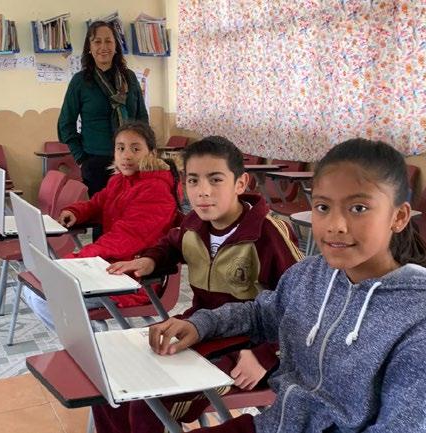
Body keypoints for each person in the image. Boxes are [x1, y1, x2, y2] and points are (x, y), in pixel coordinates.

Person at [149, 138, 426, 433]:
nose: (335, 225)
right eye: (323, 207)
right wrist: (200, 324)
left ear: (398, 217)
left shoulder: (424, 319)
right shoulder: (310, 274)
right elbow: (260, 314)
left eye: (359, 208)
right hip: (275, 424)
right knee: (139, 399)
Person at [94, 136, 303, 433]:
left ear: (240, 183)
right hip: (199, 328)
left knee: (147, 401)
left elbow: (303, 308)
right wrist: (150, 260)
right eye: (193, 180)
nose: (203, 191)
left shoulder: (269, 233)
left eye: (215, 180)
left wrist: (265, 355)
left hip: (249, 350)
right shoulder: (193, 224)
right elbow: (170, 244)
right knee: (112, 381)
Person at [23, 121, 181, 330]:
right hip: (109, 267)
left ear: (151, 152)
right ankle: (90, 336)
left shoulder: (156, 189)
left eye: (135, 149)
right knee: (34, 289)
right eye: (120, 148)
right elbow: (97, 203)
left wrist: (77, 260)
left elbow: (124, 238)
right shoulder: (119, 181)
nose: (126, 155)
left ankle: (91, 341)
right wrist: (76, 212)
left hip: (134, 278)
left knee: (44, 297)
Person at [57, 20, 148, 199]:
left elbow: (142, 119)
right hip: (96, 162)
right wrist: (82, 159)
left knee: (132, 210)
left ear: (116, 46)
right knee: (103, 212)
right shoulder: (80, 81)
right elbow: (65, 125)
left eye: (108, 41)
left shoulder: (129, 78)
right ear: (89, 48)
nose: (103, 47)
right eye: (97, 41)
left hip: (131, 160)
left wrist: (145, 153)